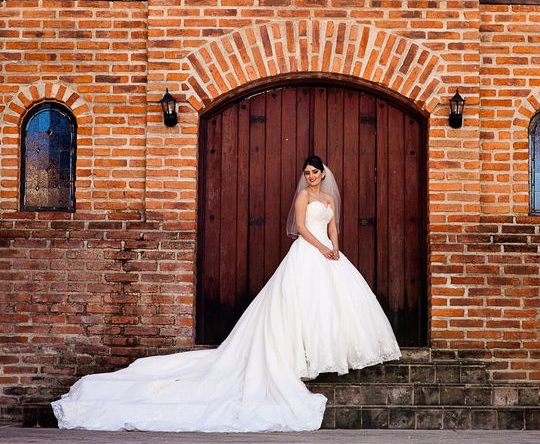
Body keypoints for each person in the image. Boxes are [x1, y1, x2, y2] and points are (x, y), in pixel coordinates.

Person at [52, 155, 401, 432]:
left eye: (314, 172)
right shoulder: (302, 197)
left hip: (328, 252)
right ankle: (297, 356)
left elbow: (332, 225)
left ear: (323, 173)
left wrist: (335, 248)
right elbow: (300, 229)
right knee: (298, 304)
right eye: (307, 172)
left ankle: (326, 352)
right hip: (309, 251)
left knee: (331, 306)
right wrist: (321, 248)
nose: (311, 177)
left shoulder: (327, 198)